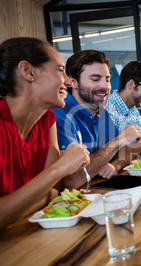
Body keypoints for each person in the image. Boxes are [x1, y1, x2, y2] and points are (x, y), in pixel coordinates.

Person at [0, 37, 90, 230]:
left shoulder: (47, 119)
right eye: (60, 70)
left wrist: (16, 209)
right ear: (28, 72)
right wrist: (60, 168)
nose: (67, 81)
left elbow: (54, 190)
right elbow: (49, 191)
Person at [53, 50, 141, 188]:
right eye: (95, 79)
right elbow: (72, 181)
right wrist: (118, 141)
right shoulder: (61, 116)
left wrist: (115, 164)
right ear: (73, 82)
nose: (105, 86)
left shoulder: (102, 114)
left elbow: (126, 151)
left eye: (107, 79)